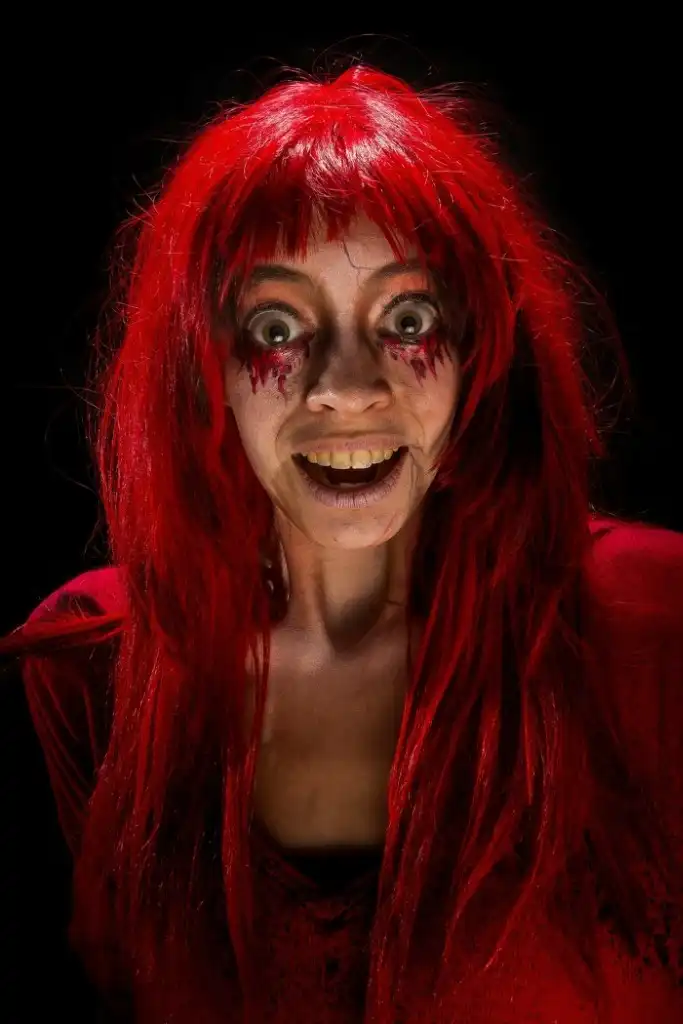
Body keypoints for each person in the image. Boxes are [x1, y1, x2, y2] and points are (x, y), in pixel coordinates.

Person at [2, 64, 682, 1023]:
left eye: (407, 319)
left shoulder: (655, 627)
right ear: (202, 368)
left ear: (481, 351)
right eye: (276, 326)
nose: (345, 389)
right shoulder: (89, 666)